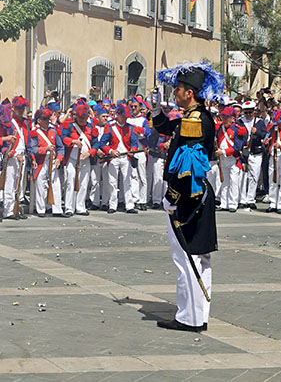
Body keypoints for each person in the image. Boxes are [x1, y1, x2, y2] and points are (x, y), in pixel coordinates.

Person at [150, 62, 220, 332]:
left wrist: (173, 196)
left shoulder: (194, 119)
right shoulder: (194, 115)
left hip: (188, 197)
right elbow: (168, 129)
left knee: (187, 258)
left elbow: (188, 163)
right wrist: (156, 110)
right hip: (196, 195)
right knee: (198, 259)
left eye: (178, 89)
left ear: (189, 93)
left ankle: (188, 318)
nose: (175, 93)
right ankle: (197, 315)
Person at [98, 103, 143, 213]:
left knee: (127, 181)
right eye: (122, 116)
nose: (124, 119)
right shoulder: (110, 127)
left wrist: (132, 149)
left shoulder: (130, 128)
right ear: (118, 115)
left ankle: (129, 205)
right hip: (113, 158)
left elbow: (133, 143)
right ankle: (112, 205)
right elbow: (102, 143)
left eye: (125, 117)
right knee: (112, 182)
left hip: (125, 157)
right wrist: (110, 151)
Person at [57, 102, 98, 217]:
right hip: (72, 158)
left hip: (85, 159)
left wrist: (89, 153)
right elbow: (63, 137)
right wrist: (72, 141)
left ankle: (80, 206)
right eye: (79, 117)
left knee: (84, 183)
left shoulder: (91, 128)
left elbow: (95, 144)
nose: (81, 119)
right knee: (70, 182)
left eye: (83, 117)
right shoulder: (69, 126)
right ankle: (69, 207)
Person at [237, 101, 268, 210]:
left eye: (251, 112)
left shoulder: (259, 122)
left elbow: (264, 134)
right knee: (243, 176)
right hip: (244, 152)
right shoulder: (240, 122)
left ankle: (250, 199)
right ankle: (242, 199)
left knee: (254, 176)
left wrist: (257, 132)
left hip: (255, 151)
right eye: (246, 112)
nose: (249, 115)